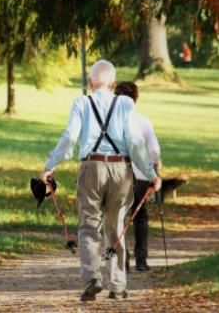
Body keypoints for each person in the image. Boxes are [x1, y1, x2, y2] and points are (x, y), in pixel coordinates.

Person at [40, 60, 161, 302]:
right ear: (113, 84)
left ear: (90, 82)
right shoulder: (125, 103)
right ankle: (117, 284)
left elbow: (70, 137)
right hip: (120, 169)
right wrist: (151, 174)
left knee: (88, 226)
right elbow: (135, 143)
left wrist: (50, 166)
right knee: (116, 226)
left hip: (91, 168)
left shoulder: (82, 102)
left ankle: (92, 278)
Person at [114, 81, 161, 272]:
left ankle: (122, 261)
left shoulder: (112, 123)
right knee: (140, 216)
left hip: (117, 174)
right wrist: (155, 169)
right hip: (141, 175)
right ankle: (141, 260)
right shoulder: (143, 121)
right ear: (136, 99)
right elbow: (154, 149)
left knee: (119, 216)